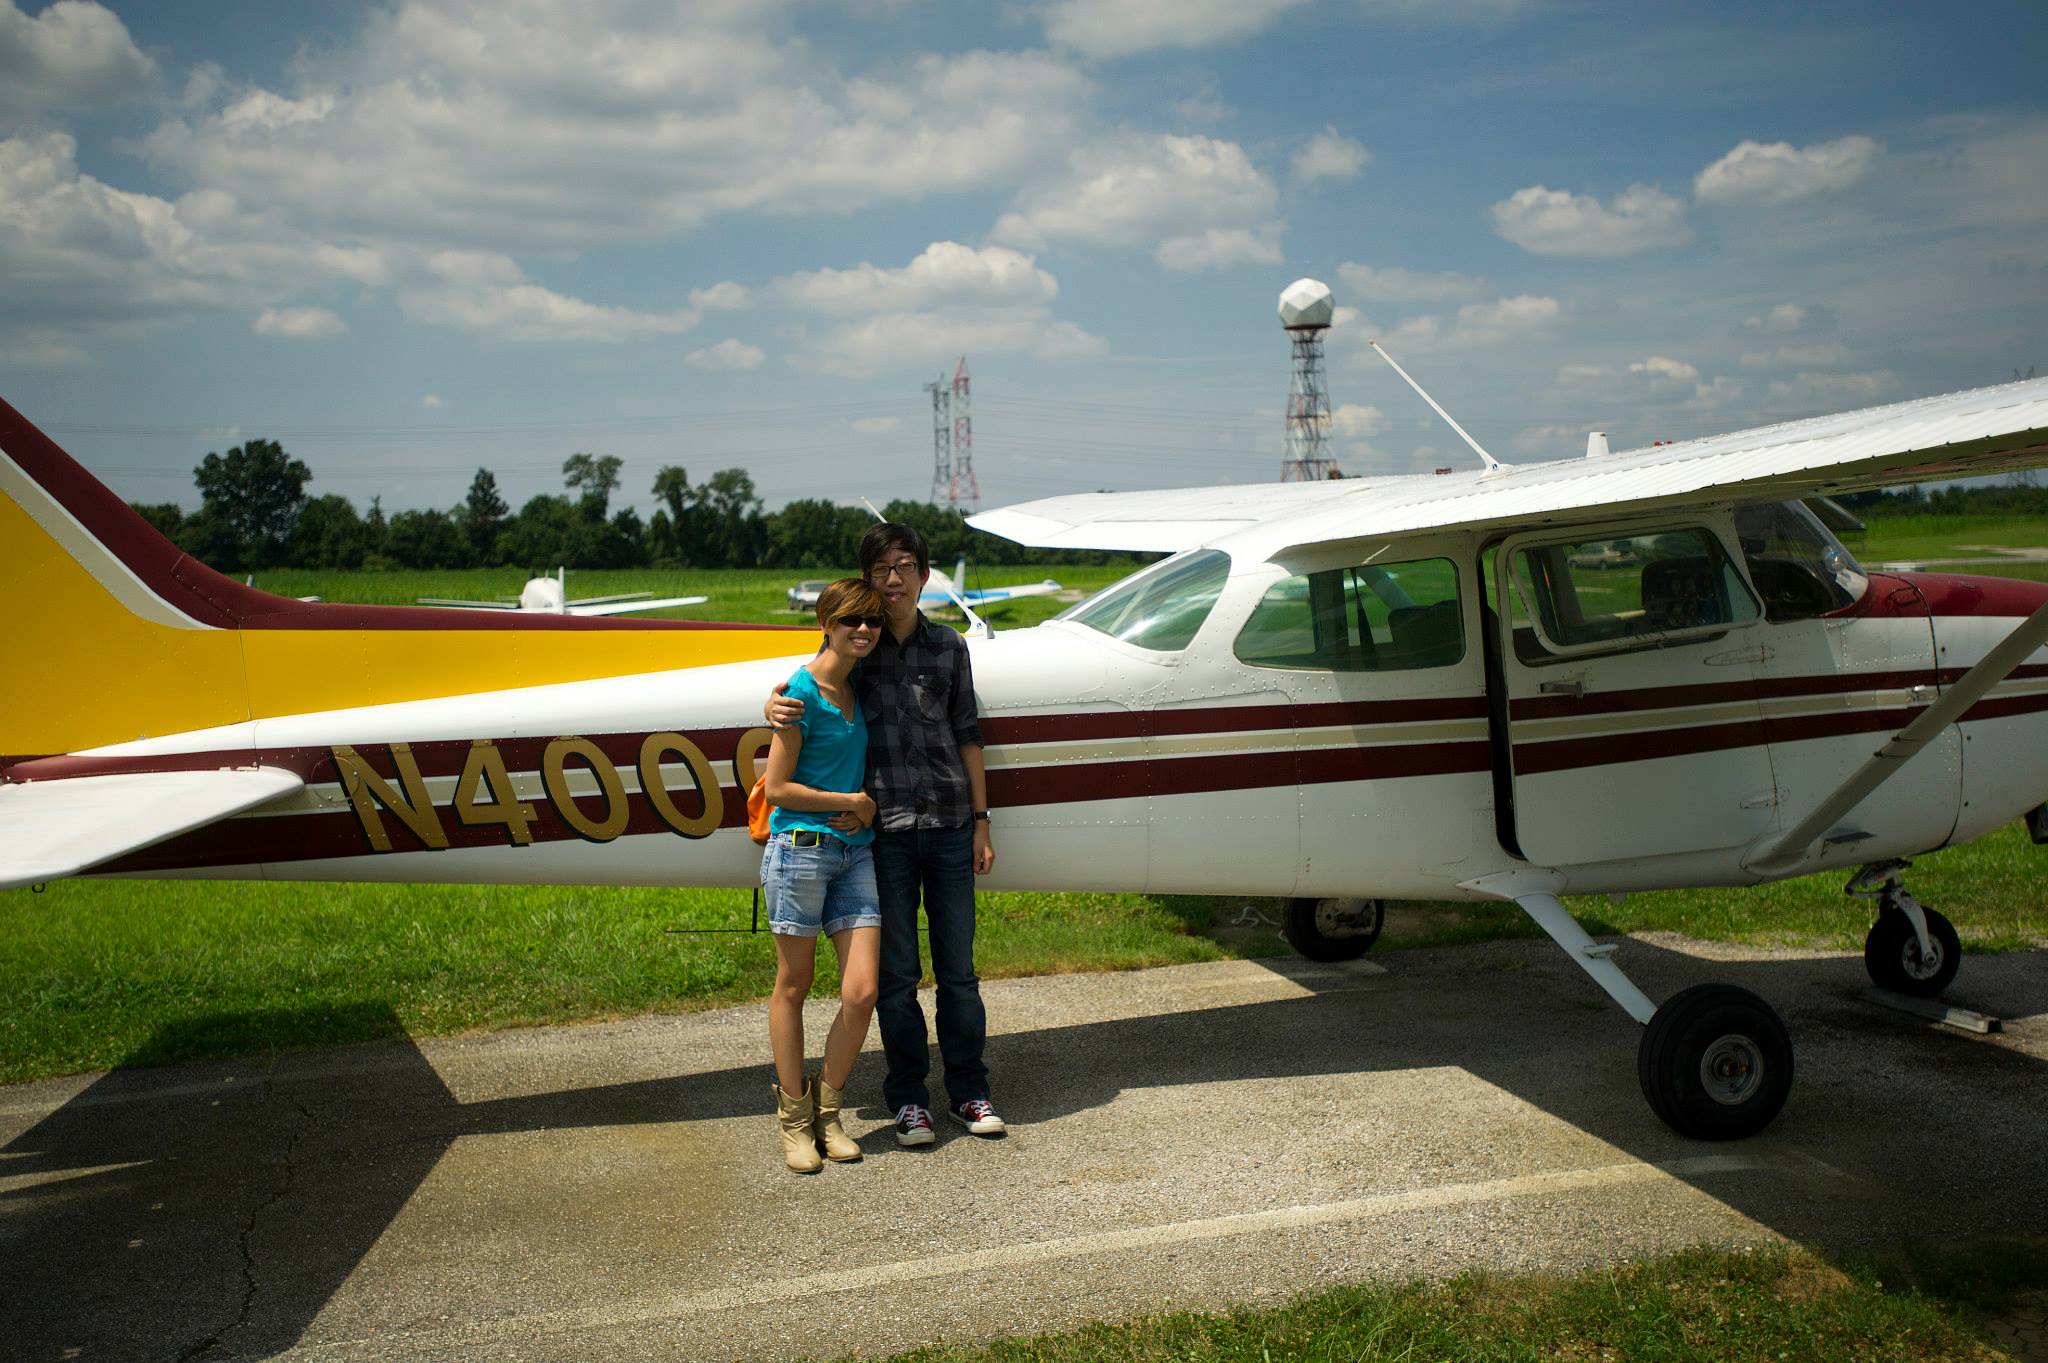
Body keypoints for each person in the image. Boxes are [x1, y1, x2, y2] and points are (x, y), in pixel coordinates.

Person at [767, 522, 1003, 1146]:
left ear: (925, 575)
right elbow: (812, 685)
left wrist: (982, 821)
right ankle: (907, 1098)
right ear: (867, 580)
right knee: (895, 979)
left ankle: (969, 1090)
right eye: (881, 569)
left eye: (905, 566)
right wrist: (774, 705)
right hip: (886, 838)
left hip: (951, 826)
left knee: (959, 972)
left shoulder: (950, 647)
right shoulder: (860, 652)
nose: (893, 580)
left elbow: (968, 735)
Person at [760, 578, 886, 1174]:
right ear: (826, 623)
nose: (863, 631)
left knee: (862, 991)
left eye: (872, 623)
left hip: (854, 855)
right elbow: (779, 788)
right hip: (800, 850)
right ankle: (793, 1119)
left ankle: (829, 1111)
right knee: (794, 983)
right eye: (850, 622)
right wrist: (855, 801)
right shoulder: (799, 694)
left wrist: (861, 814)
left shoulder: (859, 688)